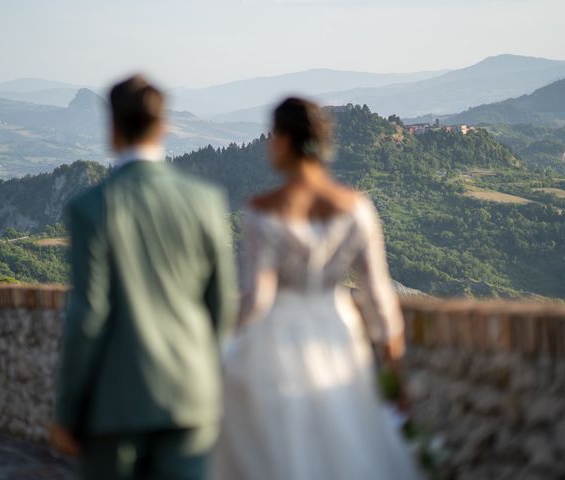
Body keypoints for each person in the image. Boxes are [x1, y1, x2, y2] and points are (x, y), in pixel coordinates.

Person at [211, 98, 422, 479]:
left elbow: (258, 299)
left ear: (284, 141)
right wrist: (395, 364)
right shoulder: (356, 207)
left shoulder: (262, 209)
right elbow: (378, 297)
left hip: (276, 339)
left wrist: (227, 343)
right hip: (337, 333)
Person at [49, 75, 237, 480]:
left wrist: (67, 410)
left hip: (115, 406)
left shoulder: (91, 207)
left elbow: (88, 314)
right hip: (191, 401)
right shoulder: (206, 201)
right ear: (164, 126)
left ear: (112, 128)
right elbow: (221, 306)